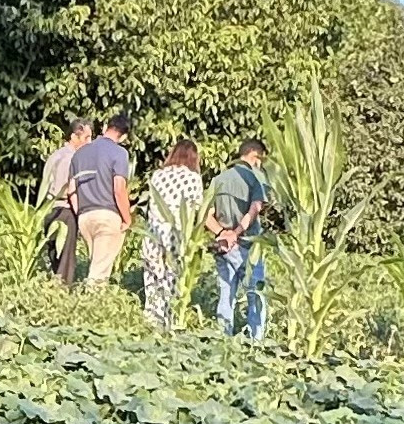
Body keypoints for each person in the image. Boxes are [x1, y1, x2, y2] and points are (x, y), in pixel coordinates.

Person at [208, 136, 275, 340]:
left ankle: (223, 335)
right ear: (255, 156)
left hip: (223, 246)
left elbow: (206, 214)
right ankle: (256, 338)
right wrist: (236, 233)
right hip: (248, 244)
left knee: (226, 292)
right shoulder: (254, 179)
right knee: (255, 293)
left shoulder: (218, 179)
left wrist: (222, 233)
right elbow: (254, 210)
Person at [139, 136, 208, 330]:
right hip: (175, 235)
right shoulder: (193, 178)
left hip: (153, 233)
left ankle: (150, 322)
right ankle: (169, 324)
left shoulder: (158, 175)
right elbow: (197, 209)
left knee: (152, 279)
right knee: (171, 281)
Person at [64, 115, 136, 290]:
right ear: (124, 136)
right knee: (98, 274)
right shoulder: (120, 153)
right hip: (107, 215)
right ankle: (90, 311)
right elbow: (119, 189)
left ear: (105, 127)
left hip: (85, 217)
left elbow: (71, 190)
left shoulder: (79, 153)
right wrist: (127, 219)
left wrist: (79, 212)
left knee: (95, 264)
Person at [37, 121, 91, 283]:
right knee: (66, 259)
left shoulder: (55, 155)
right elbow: (67, 189)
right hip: (64, 211)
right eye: (86, 138)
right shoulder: (70, 159)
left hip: (49, 210)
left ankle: (54, 287)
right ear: (74, 136)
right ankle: (62, 293)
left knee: (55, 254)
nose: (89, 142)